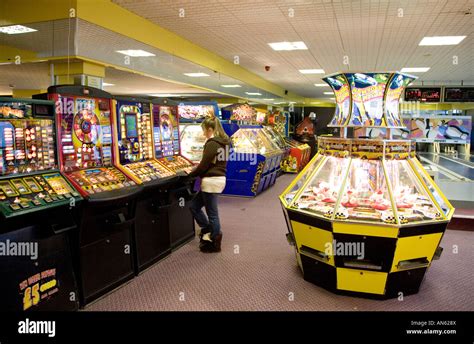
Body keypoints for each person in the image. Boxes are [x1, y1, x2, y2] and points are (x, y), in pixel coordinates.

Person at [187, 116, 230, 253]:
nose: (203, 133)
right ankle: (208, 230)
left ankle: (214, 239)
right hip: (219, 179)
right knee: (194, 206)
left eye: (204, 130)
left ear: (211, 129)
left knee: (212, 214)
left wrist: (190, 173)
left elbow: (204, 165)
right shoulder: (225, 142)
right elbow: (214, 161)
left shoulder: (212, 143)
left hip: (211, 180)